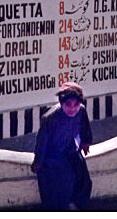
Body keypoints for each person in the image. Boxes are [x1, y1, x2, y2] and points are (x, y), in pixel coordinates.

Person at [31, 82, 93, 211]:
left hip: (70, 149)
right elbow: (42, 141)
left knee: (84, 179)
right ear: (61, 102)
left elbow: (85, 127)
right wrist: (38, 161)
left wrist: (85, 142)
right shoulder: (49, 118)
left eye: (76, 104)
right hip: (52, 154)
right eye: (68, 104)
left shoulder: (81, 110)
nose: (72, 109)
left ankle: (78, 205)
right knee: (61, 183)